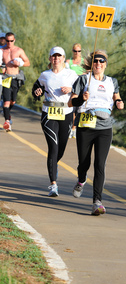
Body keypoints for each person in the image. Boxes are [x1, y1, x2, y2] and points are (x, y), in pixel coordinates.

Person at [68, 49, 124, 215]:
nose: (98, 64)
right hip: (86, 125)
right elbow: (71, 103)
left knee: (100, 164)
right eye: (95, 61)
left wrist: (120, 102)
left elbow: (117, 97)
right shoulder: (84, 79)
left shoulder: (112, 82)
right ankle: (81, 179)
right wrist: (81, 99)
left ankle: (97, 202)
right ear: (91, 64)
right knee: (84, 162)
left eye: (101, 61)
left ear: (106, 64)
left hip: (105, 127)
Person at [32, 46, 78, 197]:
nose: (56, 59)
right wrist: (37, 92)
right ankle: (53, 184)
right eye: (54, 56)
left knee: (60, 149)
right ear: (50, 59)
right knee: (53, 147)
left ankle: (53, 165)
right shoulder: (45, 75)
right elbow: (36, 88)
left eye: (59, 56)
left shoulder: (71, 74)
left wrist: (71, 90)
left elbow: (81, 91)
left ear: (64, 58)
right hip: (49, 114)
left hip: (66, 114)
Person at [2, 32, 30, 131]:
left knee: (13, 101)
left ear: (14, 40)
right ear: (5, 40)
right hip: (5, 78)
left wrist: (20, 64)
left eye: (11, 41)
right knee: (6, 101)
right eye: (7, 41)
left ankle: (7, 113)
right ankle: (7, 122)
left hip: (15, 78)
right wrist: (2, 67)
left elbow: (28, 62)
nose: (9, 43)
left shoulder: (19, 50)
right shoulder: (2, 51)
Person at [66, 43, 85, 139]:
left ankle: (74, 128)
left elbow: (88, 72)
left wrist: (81, 74)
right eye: (75, 51)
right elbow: (65, 73)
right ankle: (72, 128)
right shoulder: (68, 61)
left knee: (79, 109)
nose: (77, 53)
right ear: (72, 51)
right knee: (72, 108)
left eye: (79, 51)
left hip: (81, 87)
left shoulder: (84, 61)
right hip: (71, 88)